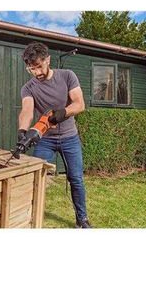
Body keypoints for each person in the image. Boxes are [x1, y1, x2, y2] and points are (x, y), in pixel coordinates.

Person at [17, 41, 92, 228]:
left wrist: (64, 112)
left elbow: (79, 104)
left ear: (48, 60)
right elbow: (27, 110)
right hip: (45, 140)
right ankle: (28, 218)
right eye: (31, 69)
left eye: (39, 66)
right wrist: (23, 130)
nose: (37, 72)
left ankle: (82, 219)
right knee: (35, 177)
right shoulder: (28, 88)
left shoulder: (67, 76)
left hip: (70, 138)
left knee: (76, 179)